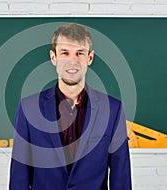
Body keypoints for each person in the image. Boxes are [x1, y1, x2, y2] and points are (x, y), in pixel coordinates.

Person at [9, 23, 132, 190]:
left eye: (79, 53)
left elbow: (121, 176)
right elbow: (19, 176)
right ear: (54, 58)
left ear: (89, 58)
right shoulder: (28, 108)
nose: (72, 60)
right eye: (65, 53)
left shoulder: (113, 110)